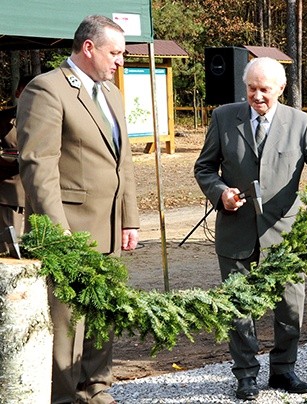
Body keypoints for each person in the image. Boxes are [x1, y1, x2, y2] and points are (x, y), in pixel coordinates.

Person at [195, 57, 307, 401]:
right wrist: (221, 194)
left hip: (284, 231)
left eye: (265, 89)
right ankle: (245, 374)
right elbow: (204, 168)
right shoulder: (223, 118)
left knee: (290, 306)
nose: (257, 96)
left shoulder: (301, 122)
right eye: (251, 88)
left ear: (280, 89)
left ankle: (283, 370)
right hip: (236, 229)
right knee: (238, 306)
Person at [17, 15, 139, 404]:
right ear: (89, 48)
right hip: (70, 229)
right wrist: (58, 232)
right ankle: (64, 397)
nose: (120, 61)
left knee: (102, 316)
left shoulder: (112, 94)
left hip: (110, 227)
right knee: (68, 323)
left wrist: (130, 219)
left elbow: (124, 163)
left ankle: (95, 388)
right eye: (115, 53)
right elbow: (38, 165)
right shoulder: (48, 90)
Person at [0, 75, 34, 239]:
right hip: (11, 190)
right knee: (10, 245)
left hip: (45, 191)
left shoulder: (55, 116)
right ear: (18, 92)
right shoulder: (3, 120)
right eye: (26, 90)